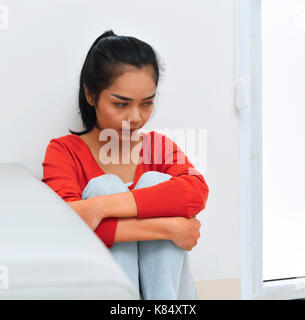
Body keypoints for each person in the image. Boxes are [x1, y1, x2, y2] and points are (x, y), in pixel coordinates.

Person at [41, 29, 209, 300]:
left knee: (154, 181)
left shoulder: (158, 147)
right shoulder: (64, 151)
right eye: (121, 104)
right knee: (103, 186)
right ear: (91, 94)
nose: (136, 117)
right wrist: (168, 227)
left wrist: (100, 208)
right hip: (102, 291)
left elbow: (195, 191)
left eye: (147, 103)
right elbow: (66, 224)